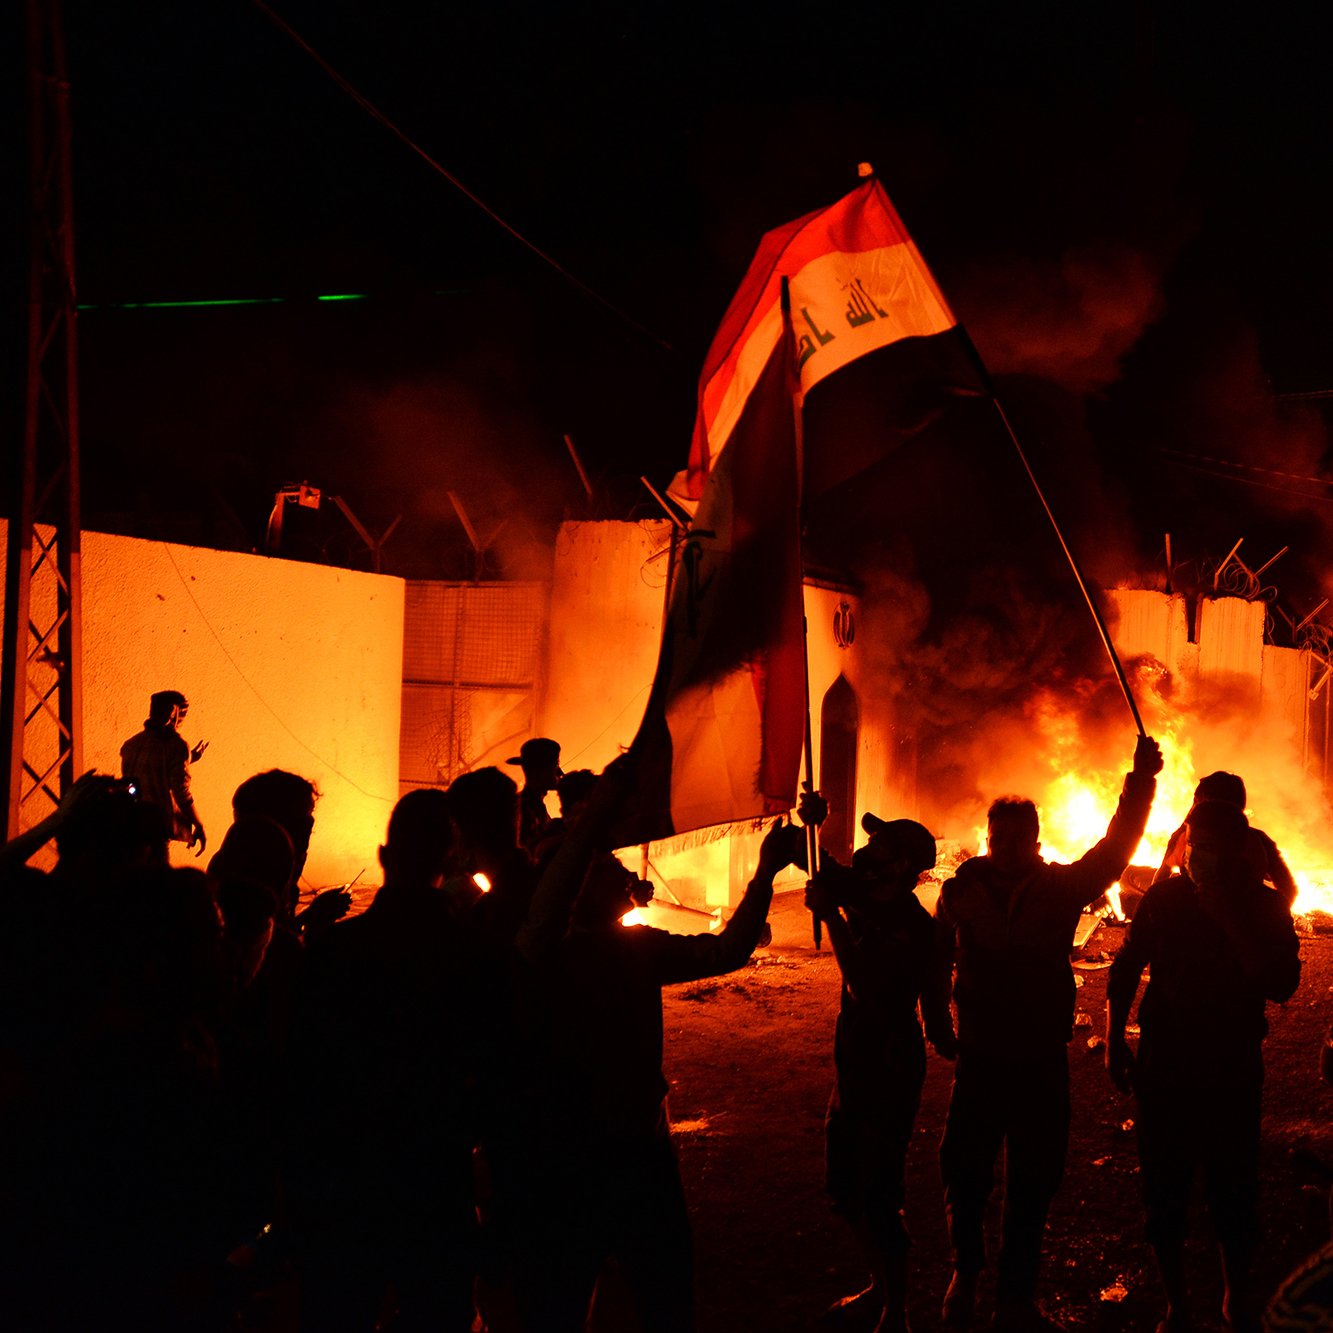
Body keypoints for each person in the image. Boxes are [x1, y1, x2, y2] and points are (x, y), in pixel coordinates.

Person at [508, 765, 810, 1333]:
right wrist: (764, 874)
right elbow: (727, 951)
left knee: (612, 1295)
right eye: (604, 869)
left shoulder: (596, 950)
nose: (623, 876)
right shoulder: (560, 954)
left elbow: (726, 951)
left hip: (598, 1150)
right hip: (598, 1152)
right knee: (627, 1294)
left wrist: (767, 872)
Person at [933, 734, 1162, 1331]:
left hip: (1038, 1056)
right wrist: (935, 1019)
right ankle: (966, 1271)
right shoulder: (960, 891)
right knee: (965, 1169)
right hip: (982, 1054)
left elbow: (1115, 848)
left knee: (1033, 1178)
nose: (1007, 847)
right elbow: (934, 960)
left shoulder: (1061, 889)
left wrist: (1141, 782)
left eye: (1018, 838)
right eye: (998, 838)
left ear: (1035, 842)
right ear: (988, 839)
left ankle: (1015, 1297)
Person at [289, 788, 486, 1332]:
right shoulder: (474, 957)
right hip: (437, 1178)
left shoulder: (331, 952)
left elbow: (302, 1072)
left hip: (345, 1180)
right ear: (452, 863)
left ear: (383, 856)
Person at [1106, 799, 1300, 1333]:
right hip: (1164, 1064)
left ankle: (1235, 1298)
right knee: (1163, 1189)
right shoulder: (1165, 899)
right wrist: (1114, 1040)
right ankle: (1177, 1307)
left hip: (1229, 1066)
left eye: (1210, 847)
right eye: (1194, 845)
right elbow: (1125, 967)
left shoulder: (1263, 906)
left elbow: (1281, 983)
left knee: (1232, 1188)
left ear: (1235, 850)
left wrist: (1227, 920)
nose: (1197, 856)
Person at [806, 812, 955, 1333]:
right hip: (854, 1058)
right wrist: (812, 824)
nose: (868, 850)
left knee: (878, 1194)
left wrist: (832, 918)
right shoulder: (866, 894)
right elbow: (820, 865)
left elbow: (865, 986)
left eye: (882, 844)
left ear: (903, 865)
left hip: (888, 1065)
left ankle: (897, 1310)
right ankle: (880, 1284)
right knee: (844, 1188)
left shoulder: (912, 928)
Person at [1152, 771, 1297, 908]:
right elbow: (1288, 890)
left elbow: (1158, 883)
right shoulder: (1259, 840)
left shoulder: (1186, 839)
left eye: (1196, 800)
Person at [120, 690, 207, 855]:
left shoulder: (131, 744)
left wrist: (189, 757)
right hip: (157, 825)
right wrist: (199, 824)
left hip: (133, 822)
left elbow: (151, 766)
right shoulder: (177, 746)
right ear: (173, 712)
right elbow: (181, 791)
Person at [506, 736, 562, 853]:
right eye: (555, 765)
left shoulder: (533, 803)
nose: (559, 773)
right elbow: (527, 848)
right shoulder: (523, 807)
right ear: (540, 771)